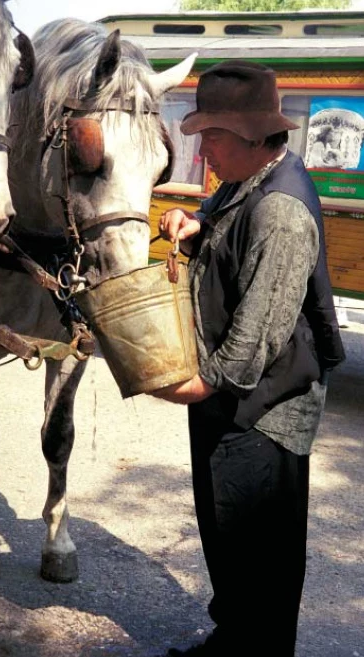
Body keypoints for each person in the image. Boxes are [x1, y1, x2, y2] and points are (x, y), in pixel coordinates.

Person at [151, 60, 345, 657]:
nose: (201, 149)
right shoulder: (249, 182)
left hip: (262, 414)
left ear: (255, 137)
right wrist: (196, 219)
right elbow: (227, 212)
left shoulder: (281, 213)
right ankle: (233, 637)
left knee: (259, 559)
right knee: (228, 544)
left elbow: (248, 352)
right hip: (235, 407)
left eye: (211, 135)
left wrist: (178, 383)